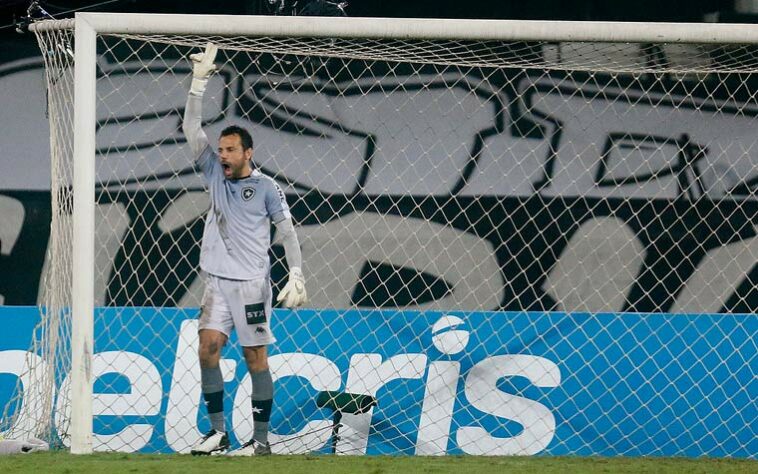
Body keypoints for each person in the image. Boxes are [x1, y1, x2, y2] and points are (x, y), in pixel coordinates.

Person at [183, 43, 308, 456]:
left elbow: (287, 231)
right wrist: (199, 84)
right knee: (208, 350)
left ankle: (261, 442)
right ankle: (218, 433)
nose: (222, 155)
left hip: (253, 285)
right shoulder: (213, 173)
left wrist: (296, 274)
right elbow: (190, 129)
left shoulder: (267, 187)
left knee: (256, 359)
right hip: (217, 283)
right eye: (220, 150)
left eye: (230, 150)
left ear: (248, 152)